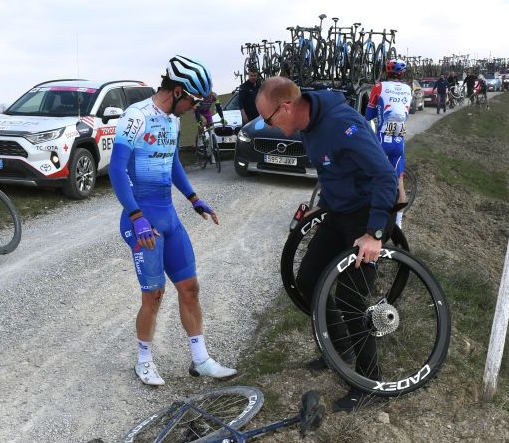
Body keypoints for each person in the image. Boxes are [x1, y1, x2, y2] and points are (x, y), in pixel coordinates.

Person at [256, 77, 397, 412]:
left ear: (287, 106)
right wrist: (324, 203)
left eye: (268, 118)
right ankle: (341, 348)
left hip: (368, 215)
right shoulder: (306, 123)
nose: (268, 125)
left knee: (350, 296)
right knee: (308, 280)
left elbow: (385, 177)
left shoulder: (341, 123)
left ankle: (368, 383)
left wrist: (375, 233)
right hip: (338, 212)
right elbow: (332, 169)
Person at [110, 55, 237, 386]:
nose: (194, 107)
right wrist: (136, 216)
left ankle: (200, 360)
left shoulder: (173, 121)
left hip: (168, 215)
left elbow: (173, 162)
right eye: (192, 100)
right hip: (143, 218)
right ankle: (143, 361)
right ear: (178, 90)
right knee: (153, 295)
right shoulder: (135, 117)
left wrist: (194, 199)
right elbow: (116, 170)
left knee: (190, 288)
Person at [366, 59, 412, 226]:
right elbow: (407, 111)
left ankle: (371, 219)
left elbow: (368, 115)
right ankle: (398, 224)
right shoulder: (408, 89)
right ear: (401, 74)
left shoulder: (379, 87)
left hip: (382, 142)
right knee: (399, 183)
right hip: (399, 142)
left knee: (373, 180)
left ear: (386, 71)